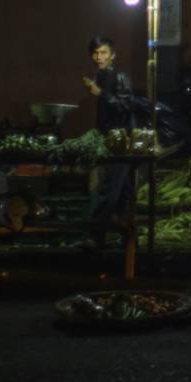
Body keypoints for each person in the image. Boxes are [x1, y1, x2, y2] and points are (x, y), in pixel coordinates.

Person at [81, 36, 135, 249]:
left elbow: (125, 106)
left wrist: (100, 93)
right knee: (123, 192)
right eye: (95, 53)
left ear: (113, 55)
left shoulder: (120, 77)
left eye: (103, 52)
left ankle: (96, 236)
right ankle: (127, 241)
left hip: (120, 141)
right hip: (108, 139)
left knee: (109, 189)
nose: (98, 57)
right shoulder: (101, 76)